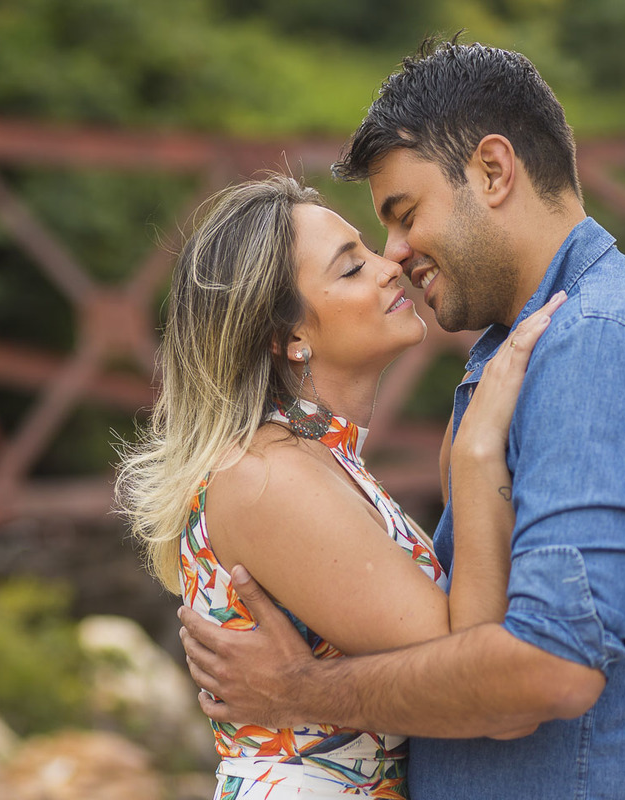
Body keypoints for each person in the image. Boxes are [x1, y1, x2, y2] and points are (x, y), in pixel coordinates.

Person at [178, 38, 625, 799]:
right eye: (365, 249)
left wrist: (300, 694)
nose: (395, 254)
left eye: (404, 215)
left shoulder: (603, 344)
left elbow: (546, 669)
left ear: (493, 170)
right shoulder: (518, 352)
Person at [116, 173, 565, 798]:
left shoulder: (321, 463)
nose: (391, 267)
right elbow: (476, 678)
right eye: (352, 269)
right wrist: (477, 455)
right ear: (289, 337)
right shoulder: (268, 478)